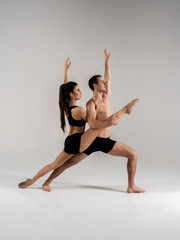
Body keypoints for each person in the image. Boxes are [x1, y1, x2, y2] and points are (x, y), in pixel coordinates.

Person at [18, 57, 132, 189]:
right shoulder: (80, 110)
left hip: (71, 140)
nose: (81, 92)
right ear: (71, 94)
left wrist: (65, 72)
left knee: (55, 164)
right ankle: (125, 110)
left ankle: (35, 181)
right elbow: (93, 124)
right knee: (96, 126)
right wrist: (110, 120)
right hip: (79, 141)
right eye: (78, 90)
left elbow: (64, 89)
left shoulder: (67, 108)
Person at [41, 50, 144, 193]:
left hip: (105, 141)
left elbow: (108, 79)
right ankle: (47, 182)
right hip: (91, 141)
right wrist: (65, 73)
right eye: (102, 82)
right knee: (67, 163)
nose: (106, 84)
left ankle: (131, 186)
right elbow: (90, 121)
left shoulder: (106, 97)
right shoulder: (91, 103)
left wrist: (107, 63)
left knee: (133, 154)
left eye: (105, 82)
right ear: (95, 85)